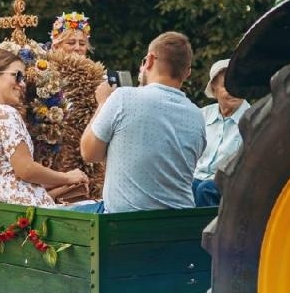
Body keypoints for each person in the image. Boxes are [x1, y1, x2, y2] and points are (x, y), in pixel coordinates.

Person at [79, 32, 205, 213]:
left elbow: (89, 153)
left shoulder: (123, 98)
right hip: (177, 224)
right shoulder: (197, 116)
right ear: (187, 73)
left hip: (122, 224)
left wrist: (102, 104)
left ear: (150, 60)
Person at [0, 46, 89, 207]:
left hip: (7, 208)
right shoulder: (4, 113)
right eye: (17, 76)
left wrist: (63, 185)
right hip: (29, 212)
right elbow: (26, 169)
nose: (22, 84)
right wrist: (68, 177)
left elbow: (9, 178)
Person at [191, 58, 249, 206]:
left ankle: (212, 229)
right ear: (214, 89)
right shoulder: (202, 115)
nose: (234, 92)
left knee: (205, 189)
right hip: (197, 177)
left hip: (232, 181)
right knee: (185, 186)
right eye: (227, 86)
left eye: (238, 86)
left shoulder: (252, 118)